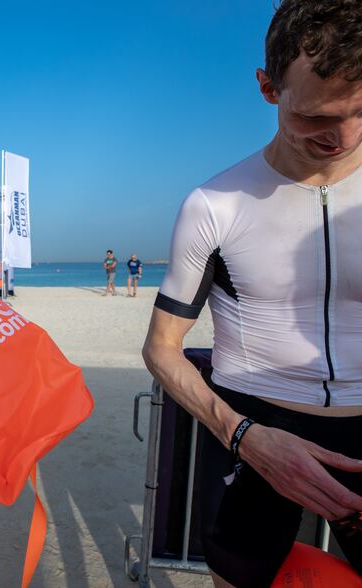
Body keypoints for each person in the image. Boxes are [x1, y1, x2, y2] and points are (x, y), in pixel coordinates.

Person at [143, 2, 362, 586]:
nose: (342, 137)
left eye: (361, 110)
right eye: (317, 116)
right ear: (268, 88)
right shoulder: (216, 204)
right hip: (252, 425)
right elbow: (162, 348)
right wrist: (242, 434)